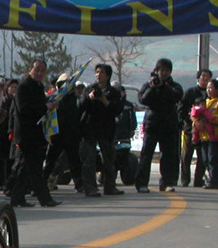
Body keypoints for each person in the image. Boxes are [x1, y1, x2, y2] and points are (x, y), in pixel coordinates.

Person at [8, 59, 61, 208]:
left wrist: (51, 104)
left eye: (42, 71)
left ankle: (17, 198)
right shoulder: (23, 87)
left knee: (26, 168)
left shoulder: (38, 87)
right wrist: (45, 107)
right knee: (35, 168)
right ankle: (45, 198)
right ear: (30, 70)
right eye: (36, 69)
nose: (39, 73)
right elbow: (25, 109)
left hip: (36, 134)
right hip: (26, 134)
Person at [135, 58, 184, 193]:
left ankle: (167, 183)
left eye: (166, 71)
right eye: (161, 70)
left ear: (170, 72)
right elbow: (143, 99)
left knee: (168, 155)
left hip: (169, 125)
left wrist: (163, 86)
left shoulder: (174, 86)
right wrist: (153, 87)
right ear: (156, 71)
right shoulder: (148, 85)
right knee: (146, 154)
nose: (163, 73)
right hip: (152, 124)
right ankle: (141, 183)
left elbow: (176, 97)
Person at [78, 63, 124, 196]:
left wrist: (105, 101)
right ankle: (90, 188)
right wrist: (89, 97)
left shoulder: (113, 92)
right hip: (89, 129)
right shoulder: (89, 89)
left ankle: (110, 186)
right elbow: (80, 105)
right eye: (97, 72)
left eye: (101, 72)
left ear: (108, 76)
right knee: (89, 159)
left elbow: (118, 109)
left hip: (106, 129)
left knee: (109, 159)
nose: (98, 75)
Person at [179, 69, 212, 187]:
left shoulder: (211, 94)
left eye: (208, 76)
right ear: (198, 78)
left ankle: (198, 180)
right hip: (189, 129)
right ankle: (185, 180)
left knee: (202, 157)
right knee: (186, 156)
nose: (205, 78)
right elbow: (181, 109)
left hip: (205, 131)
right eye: (203, 76)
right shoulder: (190, 92)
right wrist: (191, 120)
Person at [192, 78, 218, 188]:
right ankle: (211, 178)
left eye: (211, 88)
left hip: (215, 136)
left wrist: (211, 119)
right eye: (207, 88)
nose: (208, 90)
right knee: (205, 159)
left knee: (213, 159)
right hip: (204, 136)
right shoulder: (204, 102)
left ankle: (214, 181)